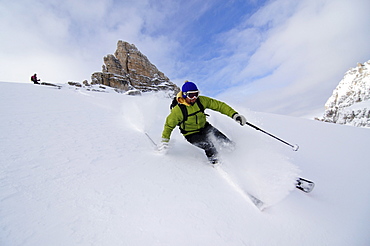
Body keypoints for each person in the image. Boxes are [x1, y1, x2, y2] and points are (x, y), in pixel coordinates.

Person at [159, 81, 247, 164]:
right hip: (191, 134)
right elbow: (168, 126)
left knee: (224, 141)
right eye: (191, 95)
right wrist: (164, 141)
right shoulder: (178, 110)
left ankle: (239, 155)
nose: (194, 98)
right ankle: (217, 163)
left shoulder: (201, 101)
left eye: (196, 94)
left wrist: (234, 115)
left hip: (205, 127)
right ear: (185, 95)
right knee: (209, 146)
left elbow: (219, 106)